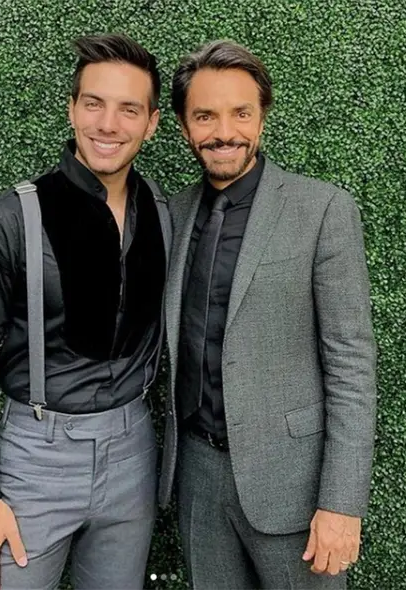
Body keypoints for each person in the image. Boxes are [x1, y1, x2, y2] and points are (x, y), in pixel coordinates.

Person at [0, 33, 169, 590]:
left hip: (134, 450)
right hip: (34, 462)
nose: (108, 124)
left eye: (128, 109)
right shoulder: (9, 219)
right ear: (72, 109)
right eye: (93, 103)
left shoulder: (162, 211)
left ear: (152, 123)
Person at [158, 39, 378, 589]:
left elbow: (352, 364)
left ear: (262, 117)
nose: (223, 131)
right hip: (198, 481)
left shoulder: (322, 209)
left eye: (241, 113)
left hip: (296, 491)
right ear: (184, 127)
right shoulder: (174, 214)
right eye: (205, 115)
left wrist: (341, 504)